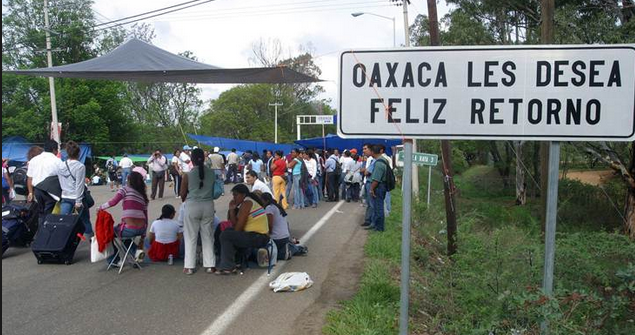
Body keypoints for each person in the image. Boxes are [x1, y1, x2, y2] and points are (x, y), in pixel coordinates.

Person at [216, 184, 269, 275]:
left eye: (236, 195)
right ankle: (235, 262)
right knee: (227, 232)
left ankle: (228, 267)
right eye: (233, 195)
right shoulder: (247, 203)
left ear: (243, 195)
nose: (234, 198)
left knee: (226, 235)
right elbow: (235, 225)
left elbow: (238, 228)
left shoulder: (247, 203)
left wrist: (232, 211)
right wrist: (232, 210)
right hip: (255, 235)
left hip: (259, 236)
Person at [99, 171, 149, 264]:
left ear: (129, 180)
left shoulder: (125, 189)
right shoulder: (143, 197)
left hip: (128, 229)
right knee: (125, 238)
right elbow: (146, 217)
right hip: (141, 228)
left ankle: (114, 260)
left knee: (107, 233)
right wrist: (143, 235)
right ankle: (136, 255)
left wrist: (101, 207)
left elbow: (113, 202)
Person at [180, 148, 216, 275]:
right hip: (208, 205)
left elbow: (182, 194)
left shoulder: (188, 175)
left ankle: (189, 266)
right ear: (204, 158)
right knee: (208, 236)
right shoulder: (211, 173)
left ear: (192, 160)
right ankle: (210, 265)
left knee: (190, 236)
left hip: (192, 205)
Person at [57, 141, 93, 235]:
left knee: (63, 221)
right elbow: (79, 184)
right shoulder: (80, 166)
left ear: (68, 153)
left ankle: (61, 241)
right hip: (77, 198)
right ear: (79, 153)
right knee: (85, 221)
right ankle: (92, 242)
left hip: (65, 196)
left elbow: (60, 180)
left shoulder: (61, 165)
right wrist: (78, 201)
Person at [27, 139, 61, 225]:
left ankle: (40, 232)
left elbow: (29, 178)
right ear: (54, 149)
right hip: (50, 191)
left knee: (41, 213)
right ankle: (46, 233)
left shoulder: (34, 160)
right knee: (49, 214)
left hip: (37, 190)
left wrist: (30, 192)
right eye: (57, 149)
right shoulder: (57, 161)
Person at [260, 192, 291, 260]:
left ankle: (280, 254)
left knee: (263, 246)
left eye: (262, 200)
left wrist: (268, 234)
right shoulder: (277, 206)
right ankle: (285, 251)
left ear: (266, 201)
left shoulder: (269, 208)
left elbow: (270, 224)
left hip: (277, 238)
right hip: (285, 236)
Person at [366, 145, 389, 232]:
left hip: (379, 187)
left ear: (373, 152)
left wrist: (371, 189)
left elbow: (376, 179)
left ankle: (379, 228)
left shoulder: (379, 163)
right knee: (377, 207)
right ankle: (377, 226)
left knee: (378, 208)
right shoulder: (382, 160)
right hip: (381, 186)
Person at [361, 143, 376, 226]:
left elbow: (367, 172)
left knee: (371, 203)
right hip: (366, 181)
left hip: (370, 182)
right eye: (363, 149)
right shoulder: (367, 159)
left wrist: (365, 170)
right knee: (368, 202)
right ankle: (368, 220)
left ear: (371, 150)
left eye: (365, 149)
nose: (364, 151)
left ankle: (371, 221)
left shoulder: (372, 160)